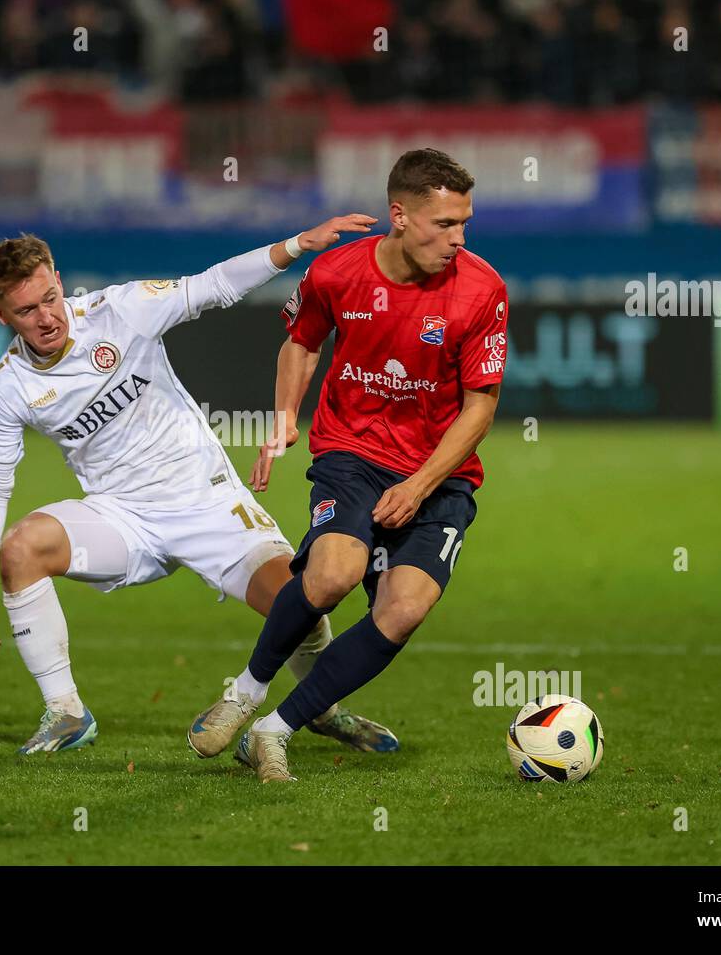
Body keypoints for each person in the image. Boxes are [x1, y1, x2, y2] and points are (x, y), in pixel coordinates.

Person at [0, 216, 402, 755]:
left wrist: (295, 245)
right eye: (26, 311)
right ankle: (66, 713)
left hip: (208, 503)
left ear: (58, 277)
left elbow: (212, 285)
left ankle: (324, 711)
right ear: (0, 314)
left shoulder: (121, 310)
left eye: (50, 297)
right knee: (20, 548)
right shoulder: (7, 387)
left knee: (303, 601)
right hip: (122, 518)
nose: (46, 317)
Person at [188, 148, 509, 782]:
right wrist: (285, 416)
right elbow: (301, 342)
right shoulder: (336, 273)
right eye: (444, 224)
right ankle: (246, 690)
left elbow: (480, 408)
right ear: (399, 215)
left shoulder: (482, 289)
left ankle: (273, 732)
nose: (458, 239)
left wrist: (419, 486)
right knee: (334, 574)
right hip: (351, 451)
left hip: (438, 471)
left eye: (464, 224)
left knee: (404, 609)